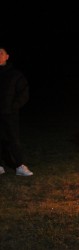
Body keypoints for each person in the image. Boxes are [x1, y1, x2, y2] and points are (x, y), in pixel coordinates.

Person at [0, 46, 33, 176]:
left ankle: (20, 166)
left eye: (1, 53)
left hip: (10, 113)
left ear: (7, 56)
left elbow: (24, 92)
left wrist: (14, 106)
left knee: (14, 140)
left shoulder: (15, 74)